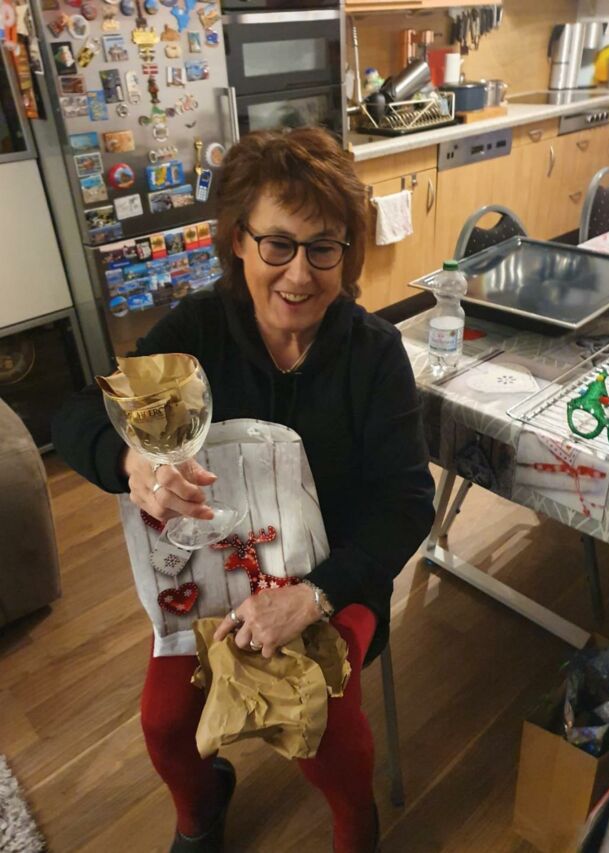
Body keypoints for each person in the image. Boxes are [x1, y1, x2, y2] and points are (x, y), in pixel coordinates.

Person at [53, 127, 435, 853]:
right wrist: (132, 462)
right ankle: (202, 810)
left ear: (348, 252)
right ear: (238, 241)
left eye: (324, 248)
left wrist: (313, 595)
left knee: (325, 727)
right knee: (165, 722)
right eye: (278, 245)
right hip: (215, 573)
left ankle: (356, 827)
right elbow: (79, 412)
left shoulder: (374, 353)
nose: (300, 274)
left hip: (334, 577)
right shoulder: (200, 330)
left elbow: (408, 503)